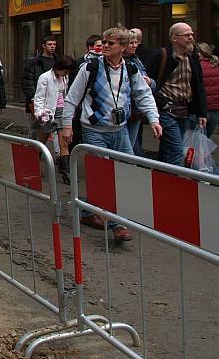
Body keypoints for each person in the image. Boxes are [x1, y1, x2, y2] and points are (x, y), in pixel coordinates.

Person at [61, 26, 162, 241]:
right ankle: (118, 225)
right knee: (105, 176)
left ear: (123, 47)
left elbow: (144, 95)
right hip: (94, 130)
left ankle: (88, 211)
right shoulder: (90, 67)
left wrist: (154, 119)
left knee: (125, 173)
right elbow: (72, 98)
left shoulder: (131, 69)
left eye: (111, 43)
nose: (105, 46)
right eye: (104, 42)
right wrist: (67, 125)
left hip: (120, 130)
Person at [144, 23, 208, 166]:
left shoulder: (192, 56)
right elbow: (144, 83)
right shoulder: (161, 55)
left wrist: (202, 112)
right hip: (165, 110)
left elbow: (199, 85)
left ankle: (160, 177)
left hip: (184, 110)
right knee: (176, 150)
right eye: (186, 35)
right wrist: (161, 102)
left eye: (192, 34)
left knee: (168, 149)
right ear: (174, 38)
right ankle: (173, 182)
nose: (190, 37)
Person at [33, 56, 74, 182]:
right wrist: (39, 114)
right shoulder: (45, 77)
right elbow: (39, 97)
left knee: (64, 143)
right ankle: (33, 166)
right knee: (41, 142)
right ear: (59, 68)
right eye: (65, 71)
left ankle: (66, 173)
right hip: (48, 113)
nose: (66, 74)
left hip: (62, 111)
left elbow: (65, 94)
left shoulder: (64, 77)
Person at [123, 28, 154, 156]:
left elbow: (148, 86)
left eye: (136, 42)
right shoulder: (119, 62)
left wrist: (150, 82)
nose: (135, 45)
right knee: (127, 148)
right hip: (122, 111)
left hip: (136, 111)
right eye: (131, 43)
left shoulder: (136, 60)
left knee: (131, 143)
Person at [23, 35, 59, 138]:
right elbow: (27, 80)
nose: (52, 46)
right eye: (49, 44)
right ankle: (34, 150)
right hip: (38, 100)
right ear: (44, 46)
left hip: (54, 99)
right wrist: (32, 97)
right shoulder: (34, 62)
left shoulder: (58, 61)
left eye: (54, 44)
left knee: (54, 127)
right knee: (36, 127)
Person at [197, 43, 219, 137]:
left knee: (199, 140)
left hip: (200, 109)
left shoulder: (196, 67)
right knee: (206, 139)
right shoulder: (216, 66)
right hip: (215, 108)